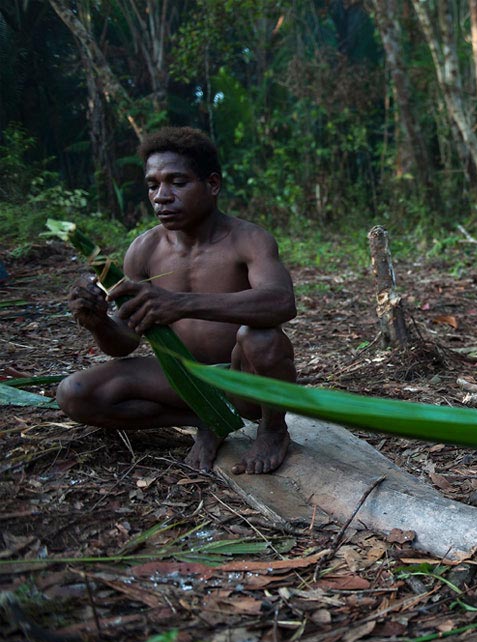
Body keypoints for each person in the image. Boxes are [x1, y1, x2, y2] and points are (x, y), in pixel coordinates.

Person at [57, 126, 297, 475]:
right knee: (74, 393)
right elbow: (125, 340)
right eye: (153, 185)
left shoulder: (248, 240)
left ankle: (274, 428)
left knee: (261, 337)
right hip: (181, 380)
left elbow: (280, 303)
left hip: (243, 380)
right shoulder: (144, 249)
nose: (161, 196)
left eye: (177, 183)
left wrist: (180, 303)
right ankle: (208, 418)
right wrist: (99, 323)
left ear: (212, 185)